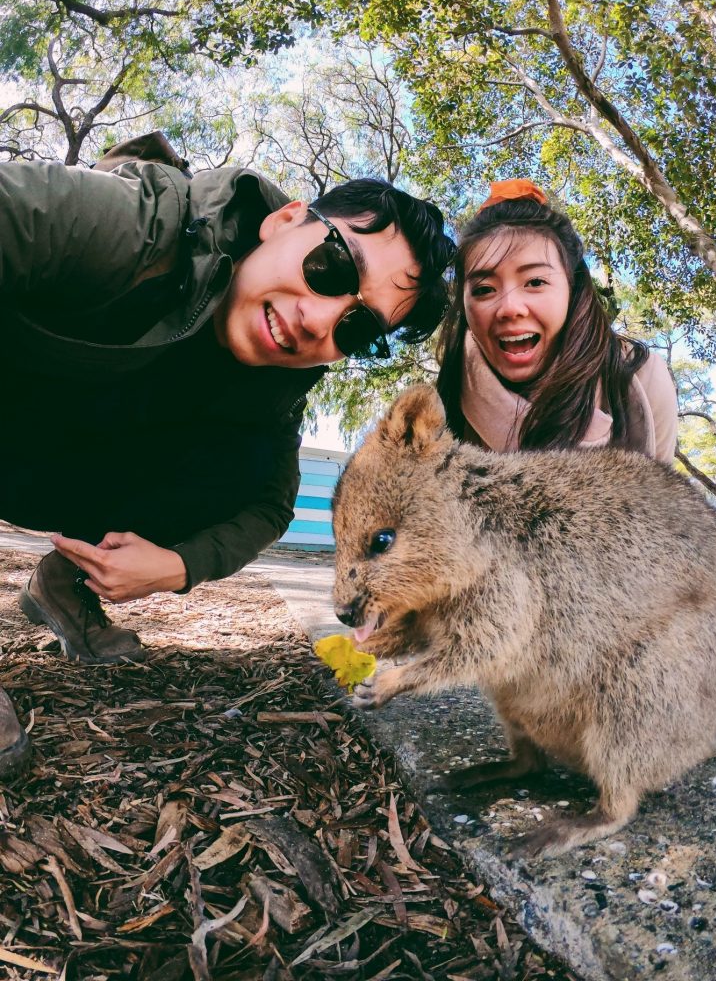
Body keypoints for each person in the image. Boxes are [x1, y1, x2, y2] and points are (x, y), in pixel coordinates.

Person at [0, 132, 455, 779]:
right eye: (332, 267)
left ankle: (64, 587)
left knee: (235, 476)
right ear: (286, 219)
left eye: (355, 329)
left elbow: (270, 504)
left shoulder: (276, 390)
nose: (317, 320)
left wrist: (177, 565)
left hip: (43, 447)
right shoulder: (141, 227)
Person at [436, 178, 678, 461]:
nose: (510, 308)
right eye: (485, 289)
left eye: (535, 282)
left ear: (572, 288)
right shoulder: (443, 407)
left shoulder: (638, 376)